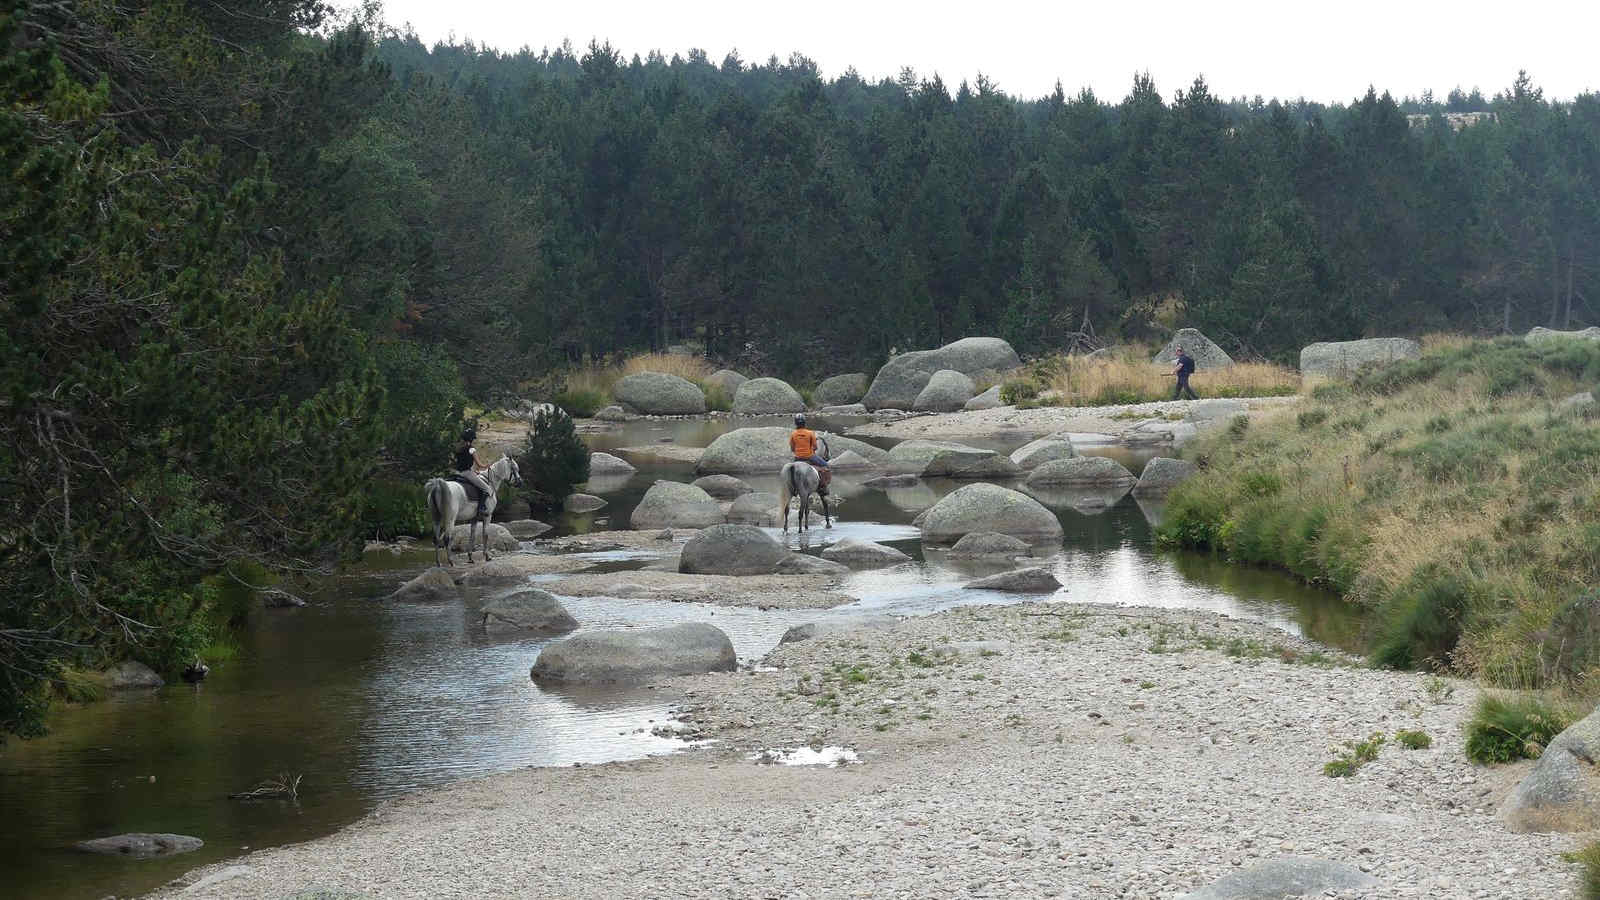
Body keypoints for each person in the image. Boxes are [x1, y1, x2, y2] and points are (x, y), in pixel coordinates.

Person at [453, 424, 494, 518]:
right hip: (467, 474)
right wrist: (488, 465)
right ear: (471, 439)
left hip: (457, 473)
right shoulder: (471, 449)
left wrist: (474, 471)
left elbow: (461, 463)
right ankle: (481, 508)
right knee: (487, 489)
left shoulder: (458, 449)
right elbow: (480, 465)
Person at [788, 413, 831, 493]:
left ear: (795, 423)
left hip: (797, 458)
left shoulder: (793, 434)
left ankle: (793, 488)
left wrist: (797, 452)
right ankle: (824, 487)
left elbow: (792, 448)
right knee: (826, 465)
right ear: (804, 422)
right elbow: (815, 447)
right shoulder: (810, 433)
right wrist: (811, 451)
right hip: (809, 456)